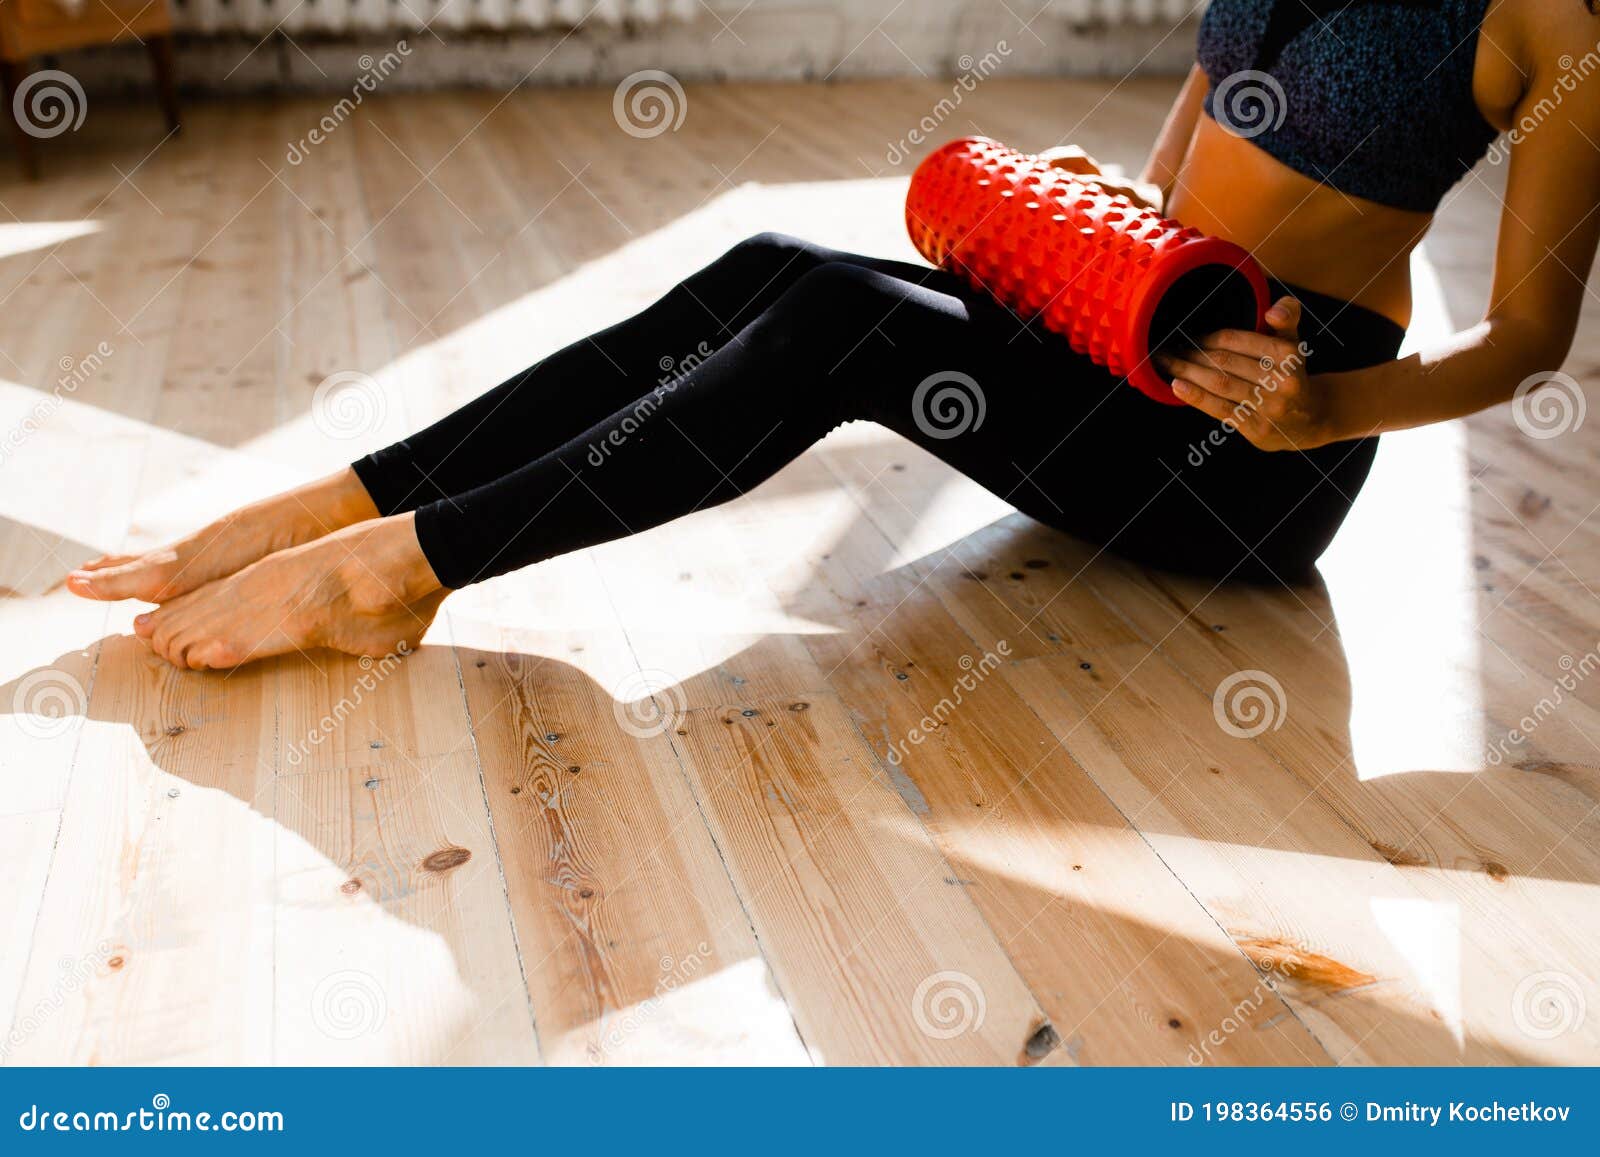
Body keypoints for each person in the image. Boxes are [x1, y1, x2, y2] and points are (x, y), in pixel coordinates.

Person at [66, 0, 1600, 670]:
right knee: (773, 260)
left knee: (838, 322)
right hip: (1127, 319)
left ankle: (396, 570)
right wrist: (1100, 208)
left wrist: (1324, 415)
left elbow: (1533, 333)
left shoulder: (1555, 16)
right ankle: (351, 498)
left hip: (1248, 445)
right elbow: (1192, 156)